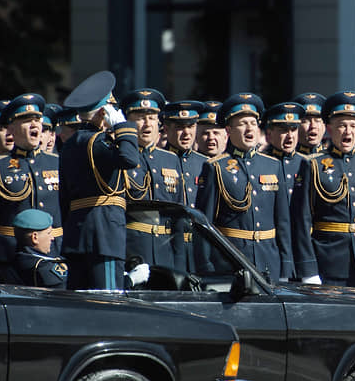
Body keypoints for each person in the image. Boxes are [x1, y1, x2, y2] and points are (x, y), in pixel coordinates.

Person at [291, 91, 355, 289]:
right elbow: (301, 222)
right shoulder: (313, 165)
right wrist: (308, 270)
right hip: (327, 263)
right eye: (341, 126)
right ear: (329, 129)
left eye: (353, 126)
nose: (348, 132)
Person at [58, 70, 143, 290]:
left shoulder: (70, 144)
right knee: (107, 303)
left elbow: (64, 197)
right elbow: (130, 158)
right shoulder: (98, 142)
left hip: (77, 234)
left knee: (80, 305)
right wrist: (123, 128)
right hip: (103, 236)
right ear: (104, 113)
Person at [196, 93, 293, 282]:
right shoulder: (216, 167)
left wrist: (286, 267)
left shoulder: (273, 165)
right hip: (232, 261)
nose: (249, 128)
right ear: (228, 130)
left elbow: (283, 222)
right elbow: (204, 223)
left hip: (269, 259)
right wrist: (205, 266)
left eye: (253, 123)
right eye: (242, 124)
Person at [0, 94, 63, 252]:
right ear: (11, 128)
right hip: (13, 253)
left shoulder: (57, 162)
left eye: (37, 120)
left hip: (54, 250)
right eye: (26, 120)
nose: (34, 125)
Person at [120, 88, 186, 269]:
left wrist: (179, 261)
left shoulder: (171, 159)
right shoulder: (121, 157)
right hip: (133, 250)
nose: (147, 124)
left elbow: (178, 215)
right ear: (128, 122)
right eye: (140, 118)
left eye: (152, 118)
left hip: (166, 251)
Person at [162, 100, 206, 209]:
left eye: (191, 126)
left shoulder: (206, 163)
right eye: (179, 127)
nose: (186, 132)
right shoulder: (157, 160)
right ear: (166, 129)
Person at [12, 209, 68, 288]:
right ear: (35, 237)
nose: (52, 238)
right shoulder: (43, 269)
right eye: (48, 233)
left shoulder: (16, 258)